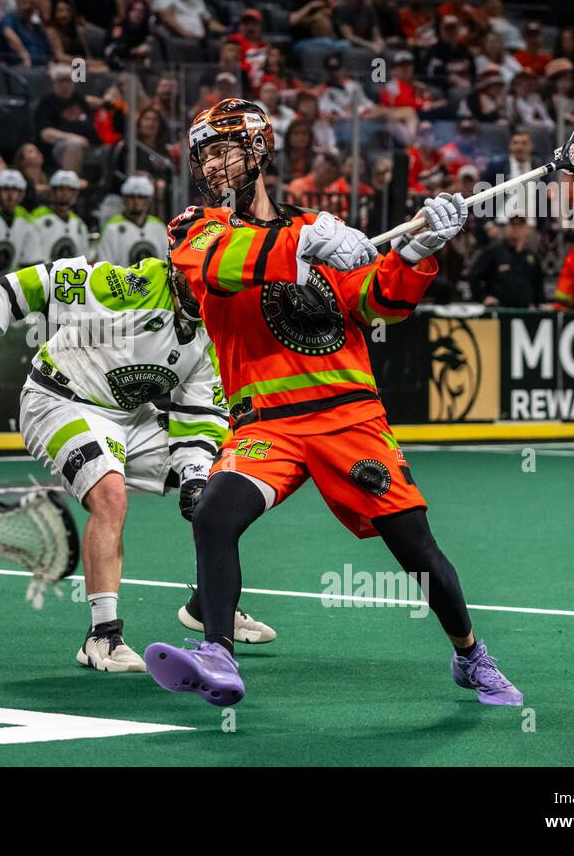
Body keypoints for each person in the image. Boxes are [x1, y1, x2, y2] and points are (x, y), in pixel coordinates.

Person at [145, 98, 523, 708]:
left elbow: (373, 304)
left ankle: (470, 654)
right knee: (215, 512)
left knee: (416, 548)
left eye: (225, 150)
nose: (213, 165)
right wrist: (307, 245)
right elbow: (213, 268)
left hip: (350, 415)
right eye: (204, 155)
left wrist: (416, 254)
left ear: (259, 150)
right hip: (266, 423)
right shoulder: (197, 227)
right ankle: (217, 653)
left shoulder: (317, 227)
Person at [0, 254, 275, 672]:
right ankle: (101, 636)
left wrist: (194, 476)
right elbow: (37, 283)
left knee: (223, 483)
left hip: (129, 417)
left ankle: (208, 604)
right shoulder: (127, 287)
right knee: (110, 497)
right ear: (179, 271)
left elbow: (200, 414)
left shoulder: (217, 325)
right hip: (58, 400)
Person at [468, 212, 544, 307]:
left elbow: (538, 283)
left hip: (524, 312)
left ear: (526, 230)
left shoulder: (531, 256)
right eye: (512, 225)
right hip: (499, 311)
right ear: (506, 228)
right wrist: (483, 298)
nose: (515, 229)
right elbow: (474, 275)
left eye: (519, 226)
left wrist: (541, 303)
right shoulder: (494, 251)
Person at [95, 175, 165, 267]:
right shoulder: (112, 228)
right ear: (124, 199)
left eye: (141, 197)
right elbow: (104, 266)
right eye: (131, 197)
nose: (136, 202)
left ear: (148, 200)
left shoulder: (158, 226)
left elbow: (166, 262)